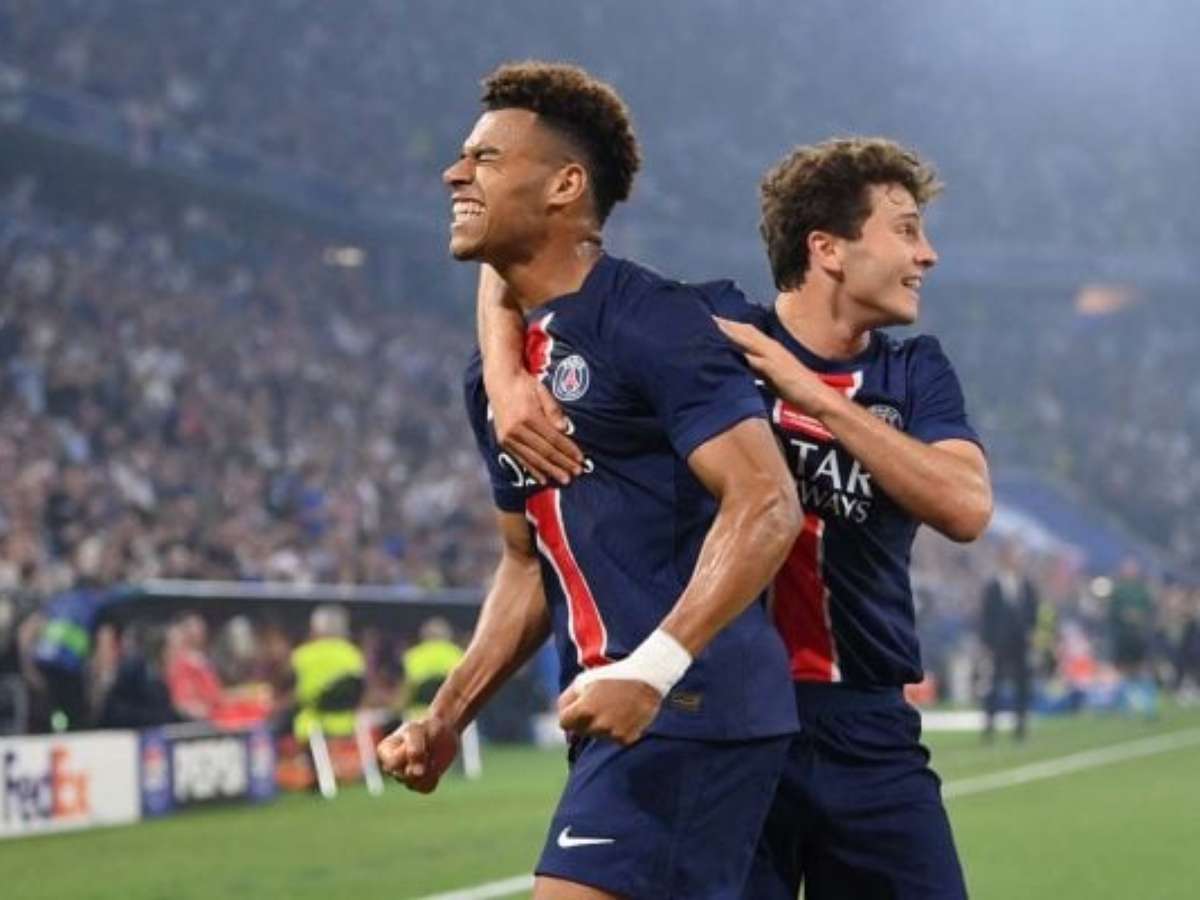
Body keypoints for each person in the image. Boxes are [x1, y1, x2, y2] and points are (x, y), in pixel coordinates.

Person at [484, 137, 993, 900]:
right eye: (907, 230)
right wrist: (504, 376)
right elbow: (522, 256)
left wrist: (809, 392)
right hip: (728, 720)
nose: (928, 255)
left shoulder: (914, 370)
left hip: (868, 730)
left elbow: (965, 506)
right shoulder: (707, 327)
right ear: (827, 248)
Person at [376, 61, 802, 900]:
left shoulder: (654, 321)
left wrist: (653, 669)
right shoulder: (492, 381)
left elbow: (766, 501)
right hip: (622, 715)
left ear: (566, 185)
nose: (454, 173)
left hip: (687, 705)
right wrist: (447, 716)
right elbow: (525, 565)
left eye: (485, 158)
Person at [980, 541, 1039, 740]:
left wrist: (1032, 633)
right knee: (994, 684)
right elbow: (986, 616)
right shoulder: (993, 586)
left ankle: (1020, 726)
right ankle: (990, 725)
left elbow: (1033, 611)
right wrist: (987, 643)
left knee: (1022, 683)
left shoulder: (1027, 585)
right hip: (999, 643)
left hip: (1021, 642)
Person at [289, 604, 366, 743]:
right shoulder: (354, 654)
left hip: (311, 728)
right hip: (346, 726)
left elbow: (293, 693)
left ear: (315, 628)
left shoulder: (302, 655)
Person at [401, 617, 463, 721]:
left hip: (418, 711)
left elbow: (408, 687)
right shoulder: (456, 653)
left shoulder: (412, 655)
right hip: (448, 710)